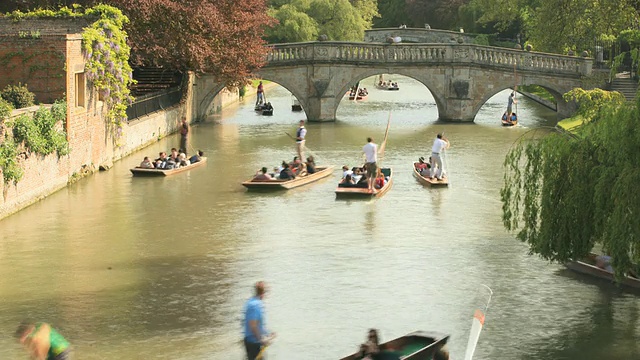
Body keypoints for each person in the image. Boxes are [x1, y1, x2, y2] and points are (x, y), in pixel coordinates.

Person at [243, 281, 275, 360]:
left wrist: (267, 333)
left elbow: (257, 324)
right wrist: (261, 340)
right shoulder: (256, 305)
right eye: (267, 292)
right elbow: (253, 325)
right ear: (263, 293)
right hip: (254, 343)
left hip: (252, 342)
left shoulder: (252, 301)